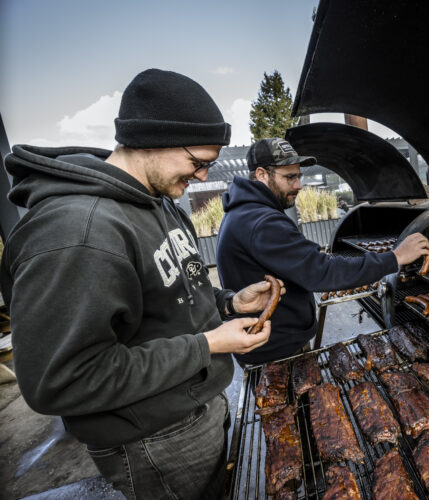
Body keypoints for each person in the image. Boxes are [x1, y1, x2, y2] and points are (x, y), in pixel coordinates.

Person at [0, 69, 282, 499]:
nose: (205, 177)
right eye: (198, 162)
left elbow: (173, 295)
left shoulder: (160, 201)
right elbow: (60, 380)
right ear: (152, 139)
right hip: (153, 440)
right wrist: (208, 346)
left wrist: (227, 304)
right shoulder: (78, 231)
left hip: (198, 406)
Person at [216, 137, 429, 365]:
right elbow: (322, 271)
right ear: (261, 175)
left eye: (298, 176)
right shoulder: (261, 221)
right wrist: (395, 257)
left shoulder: (243, 213)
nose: (298, 185)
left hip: (267, 343)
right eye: (289, 177)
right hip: (276, 352)